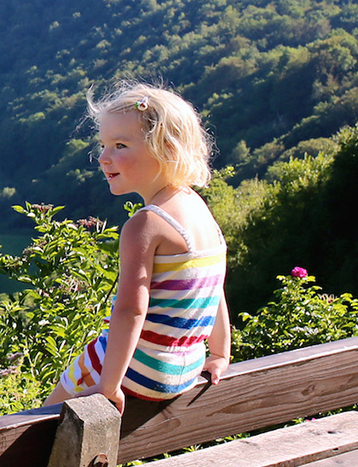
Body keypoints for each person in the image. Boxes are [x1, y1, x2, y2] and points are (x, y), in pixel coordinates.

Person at [42, 82, 230, 412]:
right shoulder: (200, 211)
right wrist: (219, 354)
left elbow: (130, 310)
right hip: (183, 369)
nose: (103, 158)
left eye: (119, 145)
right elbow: (214, 291)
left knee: (32, 428)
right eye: (103, 145)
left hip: (141, 372)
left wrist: (108, 386)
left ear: (166, 149)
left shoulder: (145, 224)